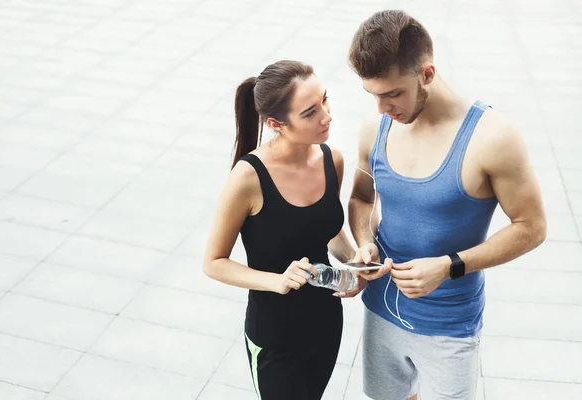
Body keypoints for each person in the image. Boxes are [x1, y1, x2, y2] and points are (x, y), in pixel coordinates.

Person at [346, 10, 547, 400]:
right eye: (373, 95)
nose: (382, 108)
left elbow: (532, 226)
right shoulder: (376, 128)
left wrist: (449, 265)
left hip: (449, 324)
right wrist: (363, 242)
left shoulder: (492, 138)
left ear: (427, 73)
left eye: (392, 94)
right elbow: (360, 198)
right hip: (380, 310)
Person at [203, 60, 366, 400]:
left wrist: (356, 259)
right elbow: (214, 262)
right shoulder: (248, 177)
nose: (326, 115)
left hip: (325, 323)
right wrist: (276, 281)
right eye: (310, 112)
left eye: (325, 100)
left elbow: (328, 230)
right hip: (274, 335)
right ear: (277, 124)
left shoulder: (330, 159)